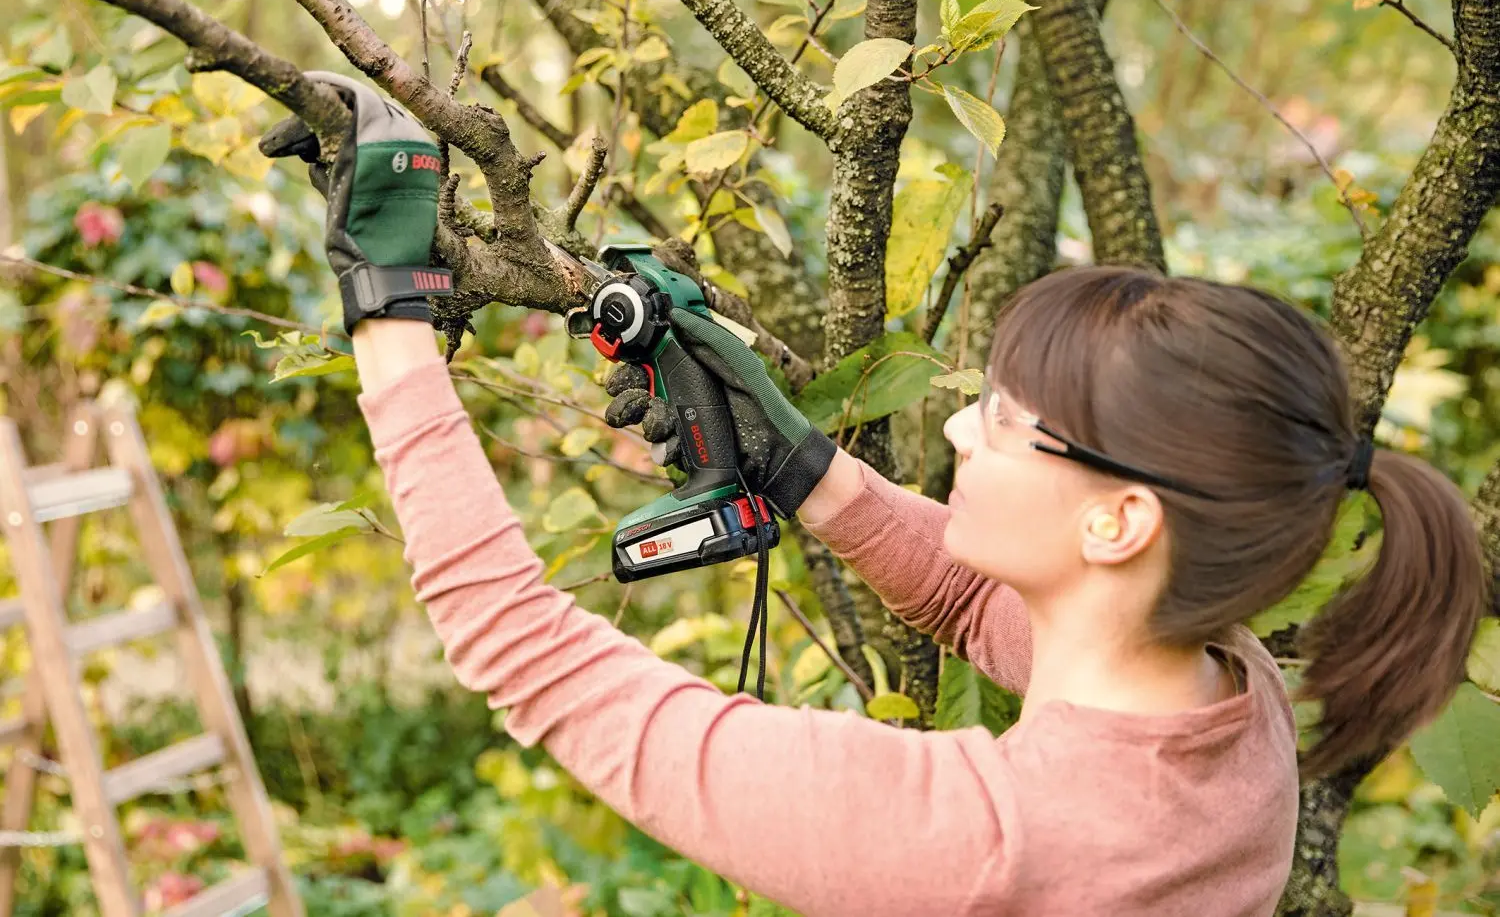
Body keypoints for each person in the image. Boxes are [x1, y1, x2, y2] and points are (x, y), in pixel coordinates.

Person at [260, 75, 1488, 917]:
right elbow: (976, 600)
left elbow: (525, 654)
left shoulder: (988, 842)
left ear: (1121, 521)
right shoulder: (1231, 700)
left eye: (1006, 420)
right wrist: (805, 469)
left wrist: (392, 310)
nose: (959, 423)